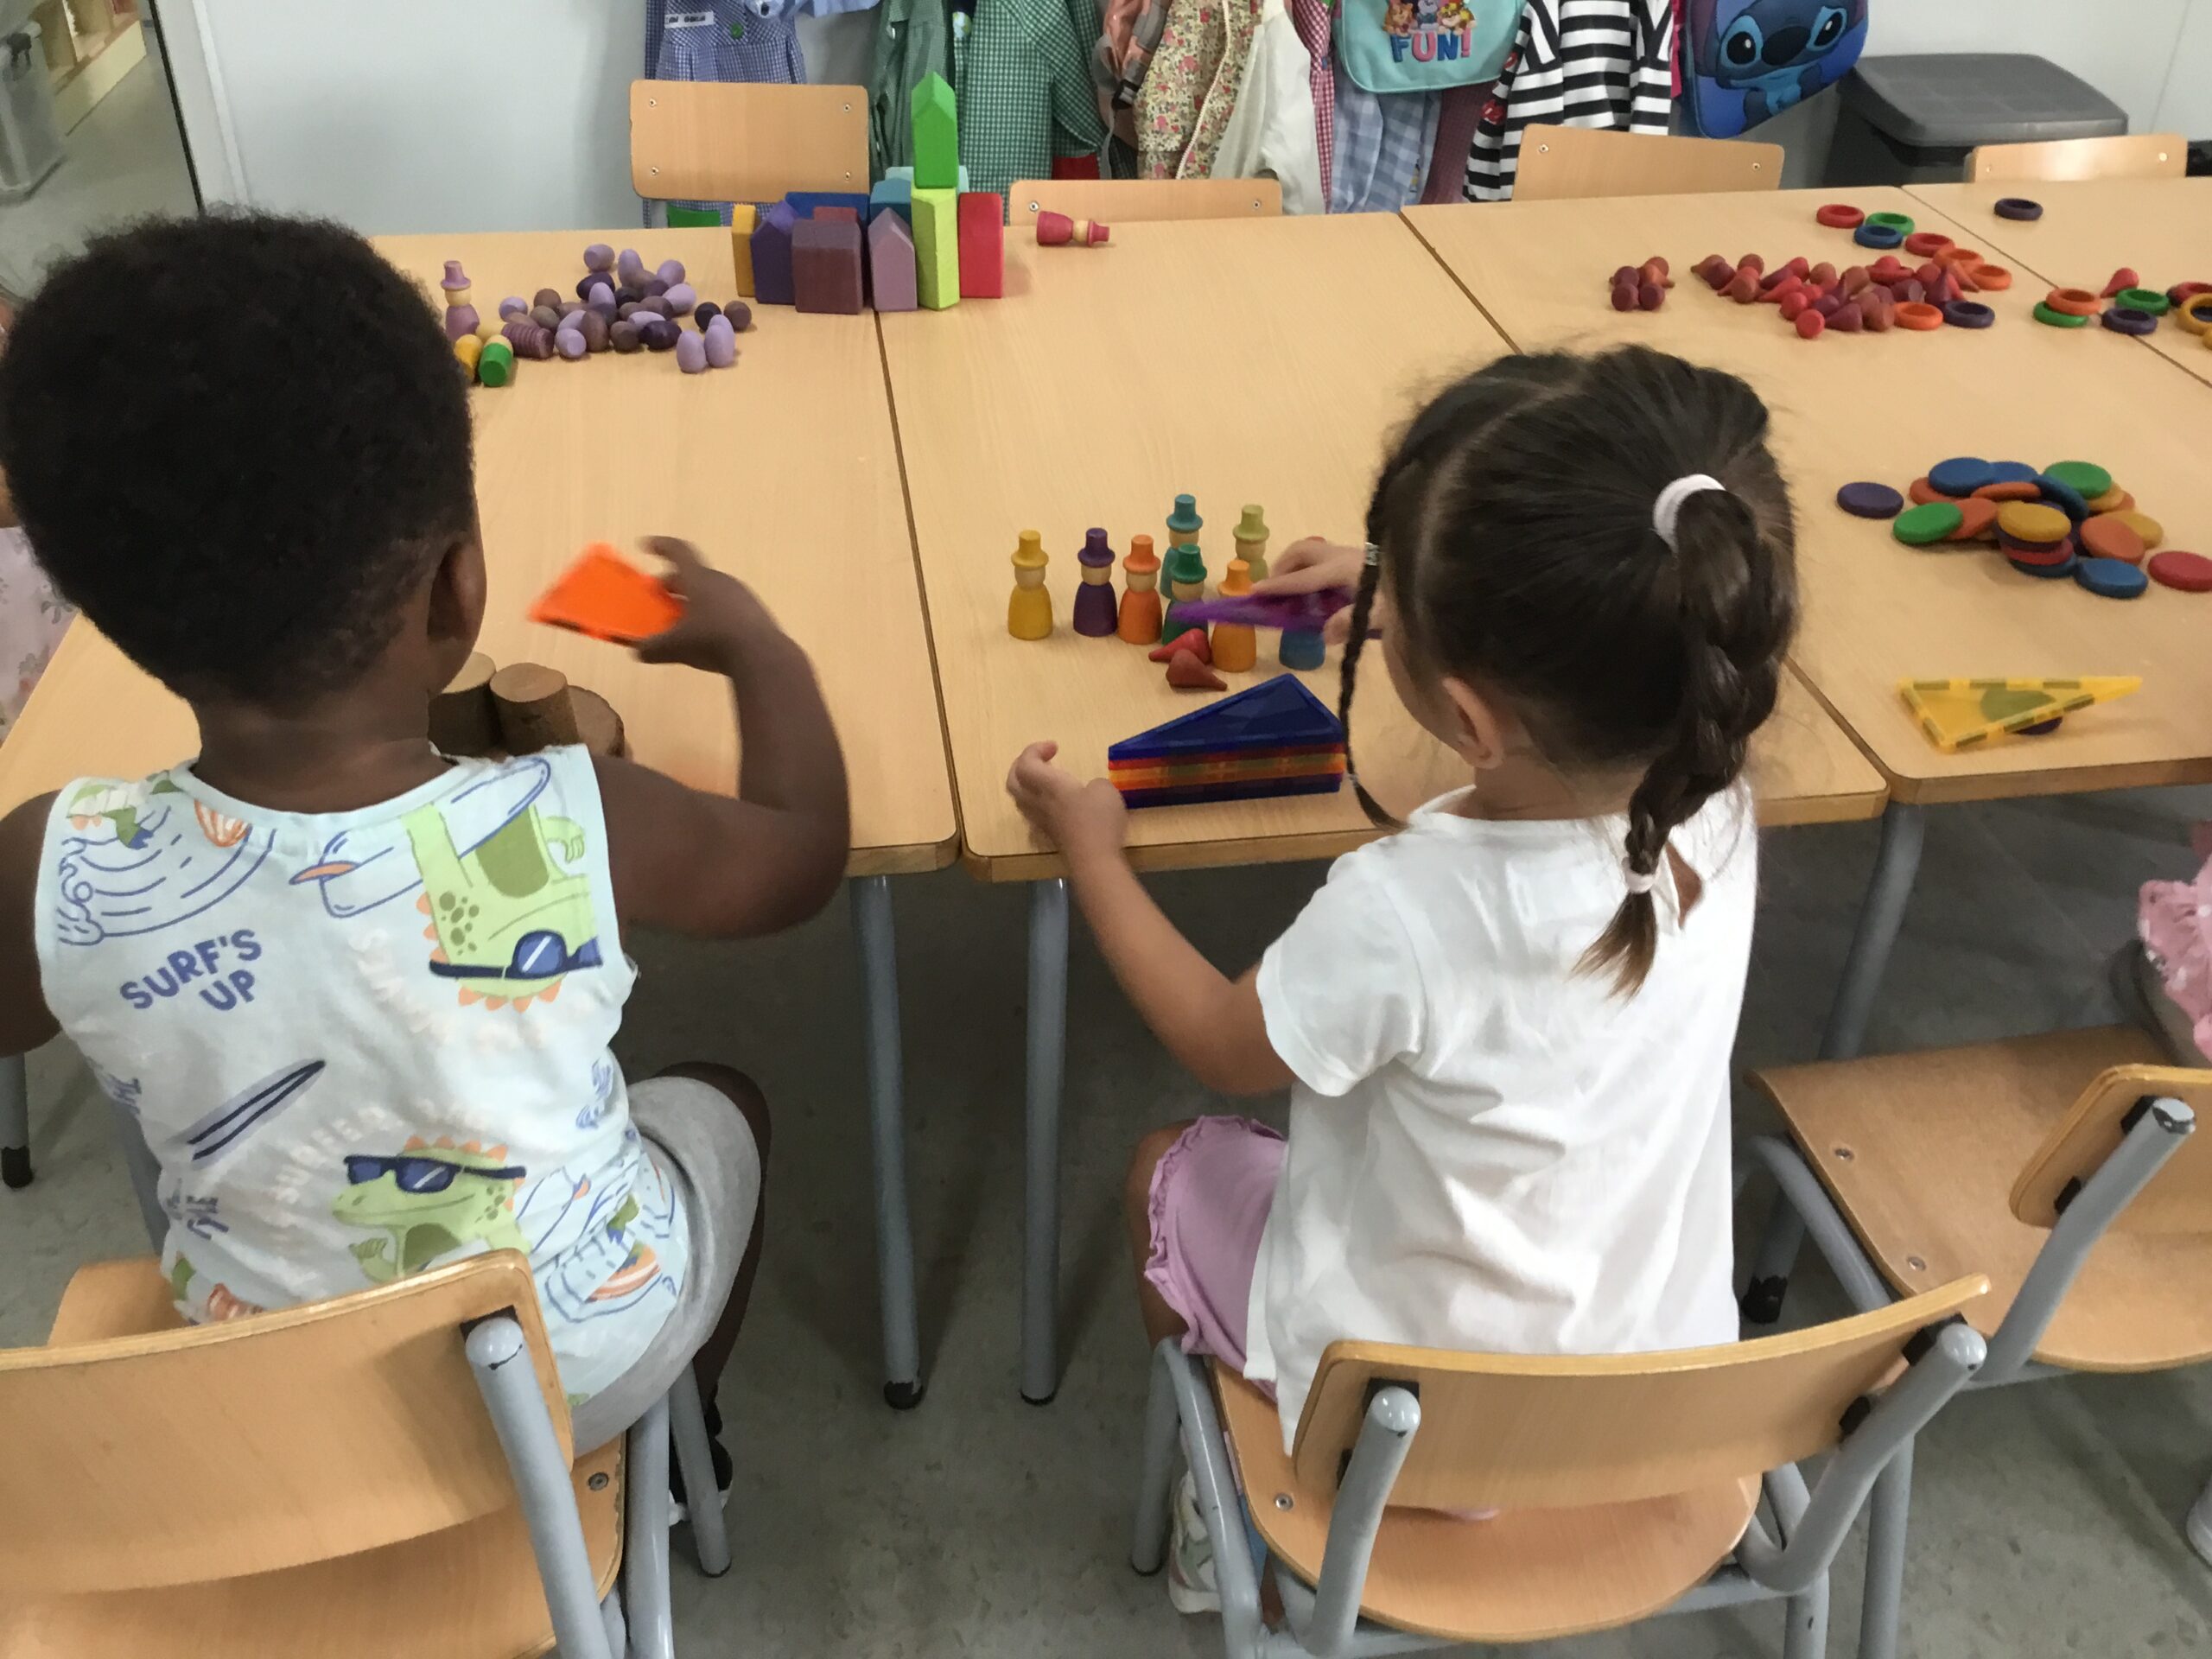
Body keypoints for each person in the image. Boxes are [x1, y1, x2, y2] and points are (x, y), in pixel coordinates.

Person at [0, 214, 850, 1482]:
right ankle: (675, 1441)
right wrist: (759, 651)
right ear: (459, 590)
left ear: (111, 619)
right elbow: (801, 857)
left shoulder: (49, 864)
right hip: (574, 1372)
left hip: (266, 1404)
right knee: (726, 1100)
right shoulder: (582, 814)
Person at [1006, 346, 1797, 1608]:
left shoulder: (1406, 911)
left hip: (1405, 1433)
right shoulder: (1718, 797)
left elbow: (1217, 1038)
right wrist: (1414, 598)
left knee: (1168, 1162)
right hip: (1650, 1399)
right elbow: (1578, 709)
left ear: (1471, 721)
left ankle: (1227, 1531)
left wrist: (1090, 852)